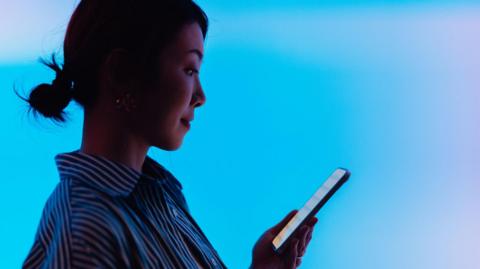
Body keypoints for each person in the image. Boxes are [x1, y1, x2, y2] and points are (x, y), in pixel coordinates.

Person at [16, 0, 317, 268]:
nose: (200, 95)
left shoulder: (156, 197)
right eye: (189, 69)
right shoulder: (87, 234)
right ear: (120, 73)